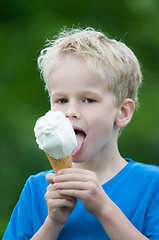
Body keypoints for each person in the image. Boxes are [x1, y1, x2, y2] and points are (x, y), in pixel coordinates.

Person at [3, 27, 159, 240]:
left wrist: (104, 209)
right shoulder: (36, 189)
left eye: (88, 100)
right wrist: (53, 223)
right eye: (61, 100)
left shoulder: (152, 184)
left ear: (122, 112)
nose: (71, 112)